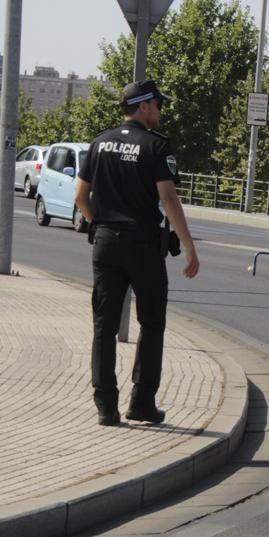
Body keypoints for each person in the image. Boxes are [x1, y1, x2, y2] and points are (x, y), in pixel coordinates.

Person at [72, 79, 200, 427]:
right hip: (143, 245)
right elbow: (168, 199)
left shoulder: (99, 143)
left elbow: (81, 197)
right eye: (158, 104)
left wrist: (99, 226)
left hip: (105, 243)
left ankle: (105, 406)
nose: (160, 110)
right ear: (143, 106)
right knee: (152, 322)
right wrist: (189, 246)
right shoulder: (157, 146)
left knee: (104, 326)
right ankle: (142, 402)